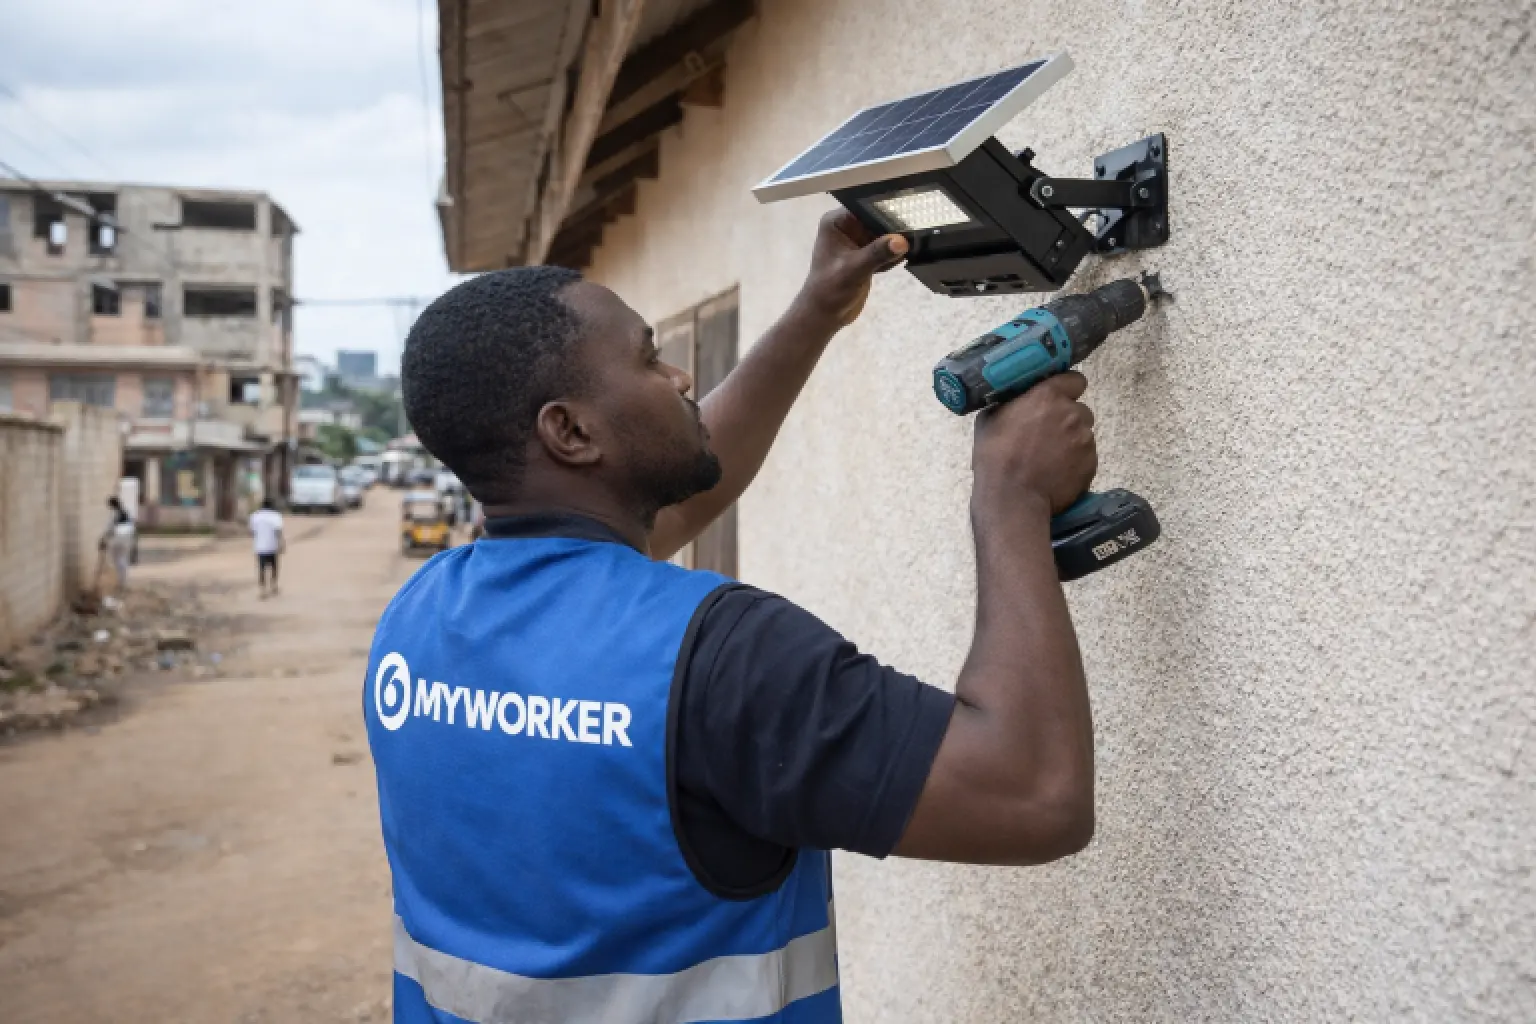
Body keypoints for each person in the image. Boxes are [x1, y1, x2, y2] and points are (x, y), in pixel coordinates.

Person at [364, 212, 1100, 1023]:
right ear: (570, 432)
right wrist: (1013, 496)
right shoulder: (719, 656)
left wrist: (816, 311)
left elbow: (675, 501)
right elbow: (1036, 796)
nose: (679, 377)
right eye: (648, 358)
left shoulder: (418, 619)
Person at [248, 498, 285, 598]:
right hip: (272, 545)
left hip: (260, 546)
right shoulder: (276, 516)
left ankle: (262, 589)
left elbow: (252, 532)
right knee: (274, 566)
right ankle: (273, 585)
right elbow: (278, 531)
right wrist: (281, 543)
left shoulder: (255, 516)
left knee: (262, 568)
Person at [100, 496, 134, 592]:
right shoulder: (125, 512)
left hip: (118, 539)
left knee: (117, 560)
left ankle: (121, 582)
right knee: (122, 559)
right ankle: (123, 582)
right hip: (127, 538)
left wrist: (103, 540)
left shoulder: (114, 514)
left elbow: (109, 529)